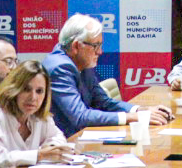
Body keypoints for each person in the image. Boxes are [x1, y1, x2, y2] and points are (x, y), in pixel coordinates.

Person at [43, 14, 171, 136]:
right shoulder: (60, 68)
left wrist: (139, 110)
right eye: (95, 46)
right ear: (76, 46)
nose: (100, 52)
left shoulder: (81, 61)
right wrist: (131, 118)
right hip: (63, 143)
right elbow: (80, 117)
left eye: (100, 45)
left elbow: (102, 101)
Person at [0, 59, 70, 168]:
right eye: (26, 89)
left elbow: (57, 136)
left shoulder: (39, 117)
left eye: (39, 91)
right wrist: (39, 155)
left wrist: (51, 148)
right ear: (14, 89)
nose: (33, 97)